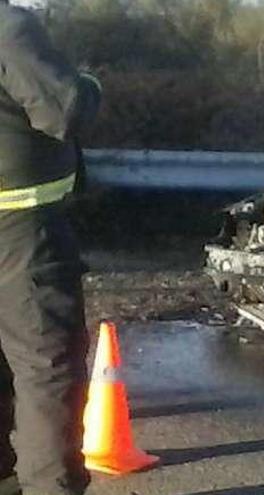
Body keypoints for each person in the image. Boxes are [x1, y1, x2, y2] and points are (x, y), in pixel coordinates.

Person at [0, 1, 102, 494]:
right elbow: (63, 111)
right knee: (46, 367)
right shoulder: (8, 27)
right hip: (20, 232)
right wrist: (89, 84)